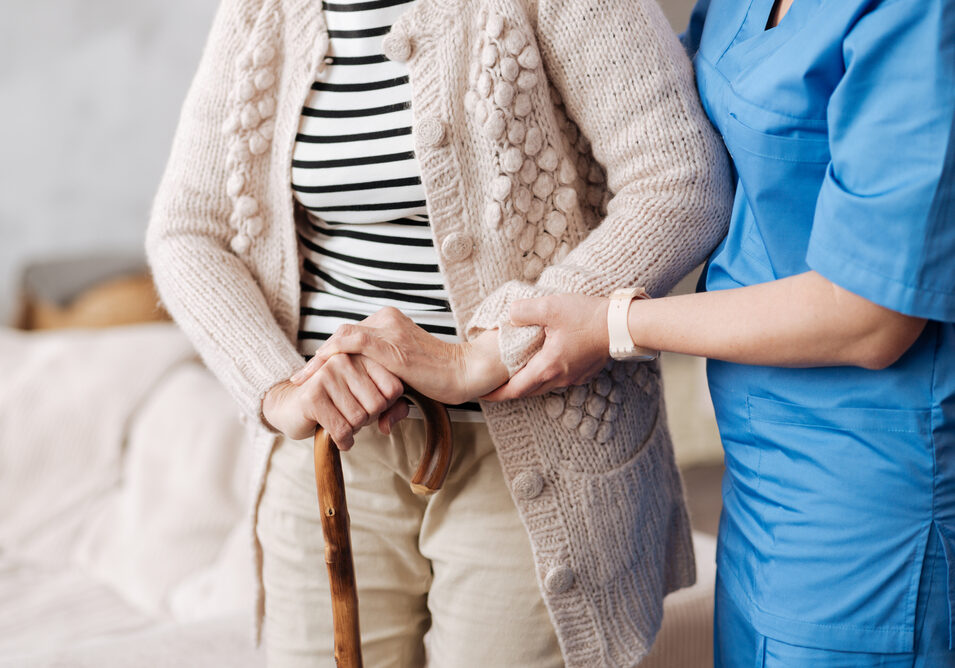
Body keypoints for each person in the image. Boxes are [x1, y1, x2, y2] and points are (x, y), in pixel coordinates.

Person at [145, 0, 732, 665]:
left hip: (532, 444)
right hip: (333, 459)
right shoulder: (261, 10)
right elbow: (189, 231)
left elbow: (680, 181)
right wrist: (277, 386)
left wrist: (491, 349)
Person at [473, 0, 955, 665]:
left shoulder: (917, 15)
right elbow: (664, 119)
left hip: (871, 483)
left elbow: (870, 316)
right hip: (760, 468)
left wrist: (615, 322)